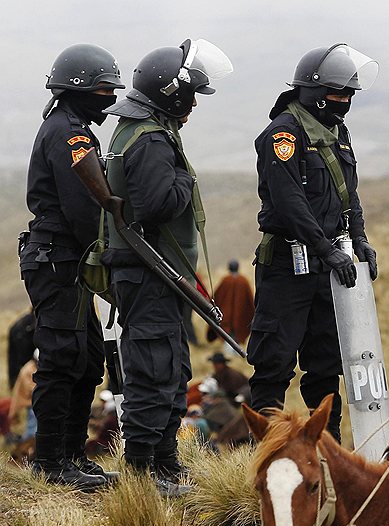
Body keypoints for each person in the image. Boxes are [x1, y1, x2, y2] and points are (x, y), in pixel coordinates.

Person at [102, 38, 233, 496]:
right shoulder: (152, 138)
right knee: (154, 370)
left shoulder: (138, 129)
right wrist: (183, 176)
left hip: (153, 271)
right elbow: (158, 204)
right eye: (190, 94)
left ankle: (165, 463)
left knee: (171, 367)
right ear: (169, 93)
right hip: (148, 271)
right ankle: (143, 473)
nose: (194, 103)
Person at [247, 44, 380, 444]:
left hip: (329, 265)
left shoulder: (336, 132)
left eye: (349, 95)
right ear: (312, 91)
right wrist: (326, 249)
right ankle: (269, 456)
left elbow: (348, 193)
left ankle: (329, 451)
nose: (345, 102)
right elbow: (289, 204)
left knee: (326, 364)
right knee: (274, 364)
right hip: (287, 266)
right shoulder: (284, 134)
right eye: (338, 94)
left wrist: (360, 239)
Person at [20, 44, 126, 491]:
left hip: (71, 262)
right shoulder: (69, 133)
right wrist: (114, 253)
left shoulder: (74, 126)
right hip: (58, 259)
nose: (109, 97)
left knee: (87, 359)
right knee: (62, 358)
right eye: (104, 89)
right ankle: (50, 461)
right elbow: (82, 210)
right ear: (78, 88)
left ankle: (71, 455)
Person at [206, 259, 254, 351]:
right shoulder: (243, 281)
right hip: (240, 315)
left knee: (228, 334)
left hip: (226, 315)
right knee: (235, 334)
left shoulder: (226, 280)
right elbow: (250, 300)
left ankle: (231, 351)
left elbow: (216, 296)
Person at [9, 355, 38, 442]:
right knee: (32, 426)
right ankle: (26, 445)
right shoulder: (29, 369)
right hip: (28, 401)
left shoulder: (35, 367)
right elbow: (30, 389)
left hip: (34, 401)